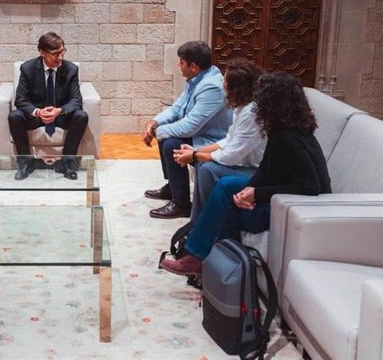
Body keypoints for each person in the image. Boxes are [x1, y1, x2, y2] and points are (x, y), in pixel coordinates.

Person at [160, 72, 332, 276]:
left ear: (271, 103)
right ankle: (205, 261)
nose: (256, 104)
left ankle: (205, 262)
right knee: (228, 187)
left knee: (228, 206)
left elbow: (309, 187)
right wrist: (251, 189)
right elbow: (266, 169)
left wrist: (258, 194)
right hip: (281, 196)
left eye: (260, 99)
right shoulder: (285, 128)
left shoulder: (287, 138)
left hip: (292, 207)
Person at [142, 41, 232, 219]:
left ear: (194, 66)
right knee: (166, 134)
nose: (178, 65)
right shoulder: (196, 79)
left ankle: (181, 204)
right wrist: (153, 122)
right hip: (200, 134)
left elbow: (190, 126)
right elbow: (177, 109)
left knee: (171, 142)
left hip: (214, 140)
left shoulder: (211, 87)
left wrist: (156, 131)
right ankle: (173, 186)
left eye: (181, 62)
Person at [173, 59, 266, 222]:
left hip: (256, 172)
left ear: (237, 87)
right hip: (243, 164)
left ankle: (208, 221)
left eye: (225, 79)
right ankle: (197, 221)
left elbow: (230, 156)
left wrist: (194, 156)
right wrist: (197, 151)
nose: (222, 83)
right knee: (202, 163)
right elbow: (228, 140)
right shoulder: (242, 108)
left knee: (207, 168)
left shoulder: (252, 113)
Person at [8, 32, 88, 180]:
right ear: (42, 52)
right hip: (37, 116)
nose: (60, 57)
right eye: (55, 54)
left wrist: (59, 111)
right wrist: (37, 112)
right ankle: (25, 162)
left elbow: (76, 100)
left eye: (62, 51)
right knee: (15, 116)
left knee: (81, 116)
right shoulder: (28, 68)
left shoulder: (71, 69)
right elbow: (20, 100)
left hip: (60, 116)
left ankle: (68, 163)